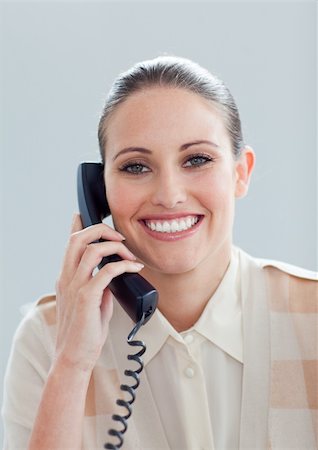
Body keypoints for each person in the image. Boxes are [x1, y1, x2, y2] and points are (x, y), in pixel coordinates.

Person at [2, 56, 317, 450]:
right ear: (98, 192)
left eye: (197, 160)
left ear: (241, 173)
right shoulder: (47, 340)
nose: (169, 196)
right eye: (136, 167)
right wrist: (71, 363)